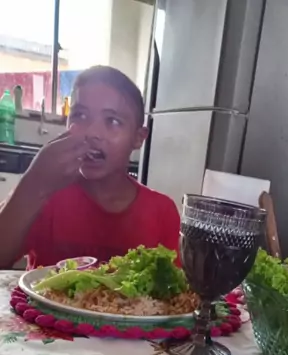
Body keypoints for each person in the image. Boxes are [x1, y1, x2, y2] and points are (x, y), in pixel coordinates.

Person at [0, 66, 180, 269]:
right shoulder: (46, 194)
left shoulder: (162, 212)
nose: (93, 132)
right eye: (81, 116)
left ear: (138, 138)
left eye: (113, 121)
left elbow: (171, 285)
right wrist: (34, 183)